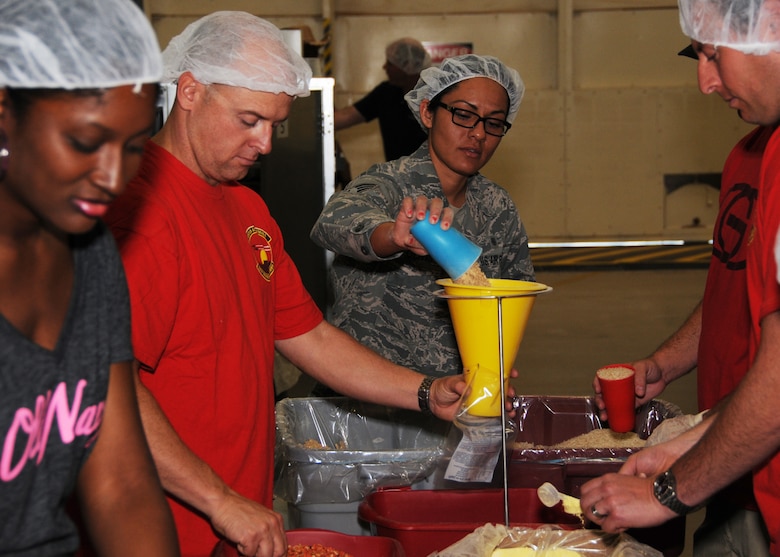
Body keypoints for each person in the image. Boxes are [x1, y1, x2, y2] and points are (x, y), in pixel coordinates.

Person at [103, 12, 467, 557]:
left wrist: (422, 392)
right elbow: (108, 392)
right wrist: (218, 499)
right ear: (190, 91)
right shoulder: (141, 215)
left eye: (275, 124)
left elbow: (307, 336)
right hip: (160, 523)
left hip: (235, 517)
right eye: (249, 120)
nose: (265, 144)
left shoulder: (246, 208)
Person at [579, 0, 780, 553]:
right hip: (737, 461)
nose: (704, 83)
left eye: (713, 55)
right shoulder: (759, 155)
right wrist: (691, 437)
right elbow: (732, 288)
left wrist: (668, 492)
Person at [0, 0, 179, 555]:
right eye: (84, 142)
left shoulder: (91, 252)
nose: (111, 178)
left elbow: (120, 481)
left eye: (131, 149)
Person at [311, 54, 535, 382]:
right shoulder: (392, 184)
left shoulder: (497, 206)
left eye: (494, 122)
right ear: (428, 112)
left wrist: (490, 370)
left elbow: (515, 294)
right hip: (371, 401)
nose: (478, 134)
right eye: (463, 115)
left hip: (452, 399)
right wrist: (391, 235)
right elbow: (332, 222)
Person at [334, 37, 431, 161]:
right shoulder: (386, 93)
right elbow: (346, 116)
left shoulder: (433, 94)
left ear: (407, 65)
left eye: (390, 63)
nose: (384, 67)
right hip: (397, 176)